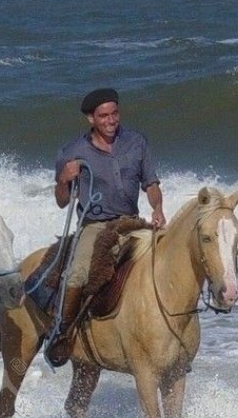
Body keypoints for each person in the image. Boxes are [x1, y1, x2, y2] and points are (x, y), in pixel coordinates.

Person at [46, 87, 165, 366]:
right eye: (104, 116)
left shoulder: (137, 142)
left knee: (168, 255)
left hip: (131, 221)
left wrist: (157, 208)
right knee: (77, 274)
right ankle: (63, 332)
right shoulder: (73, 151)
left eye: (115, 113)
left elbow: (152, 184)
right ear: (91, 119)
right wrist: (63, 179)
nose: (111, 120)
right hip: (95, 225)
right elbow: (63, 202)